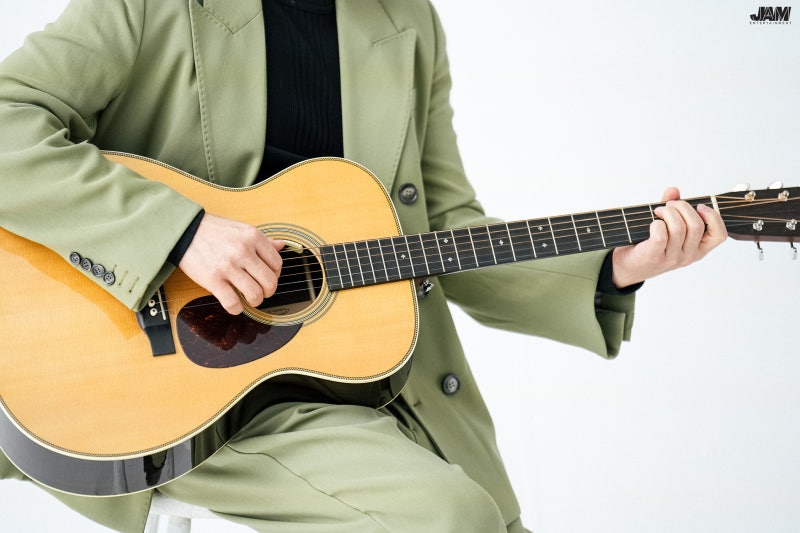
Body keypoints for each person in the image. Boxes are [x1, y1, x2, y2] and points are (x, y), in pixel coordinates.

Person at [0, 0, 726, 532]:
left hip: (370, 383)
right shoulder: (150, 6)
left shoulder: (408, 22)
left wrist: (612, 267)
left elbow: (443, 233)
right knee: (448, 517)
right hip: (182, 393)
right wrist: (179, 232)